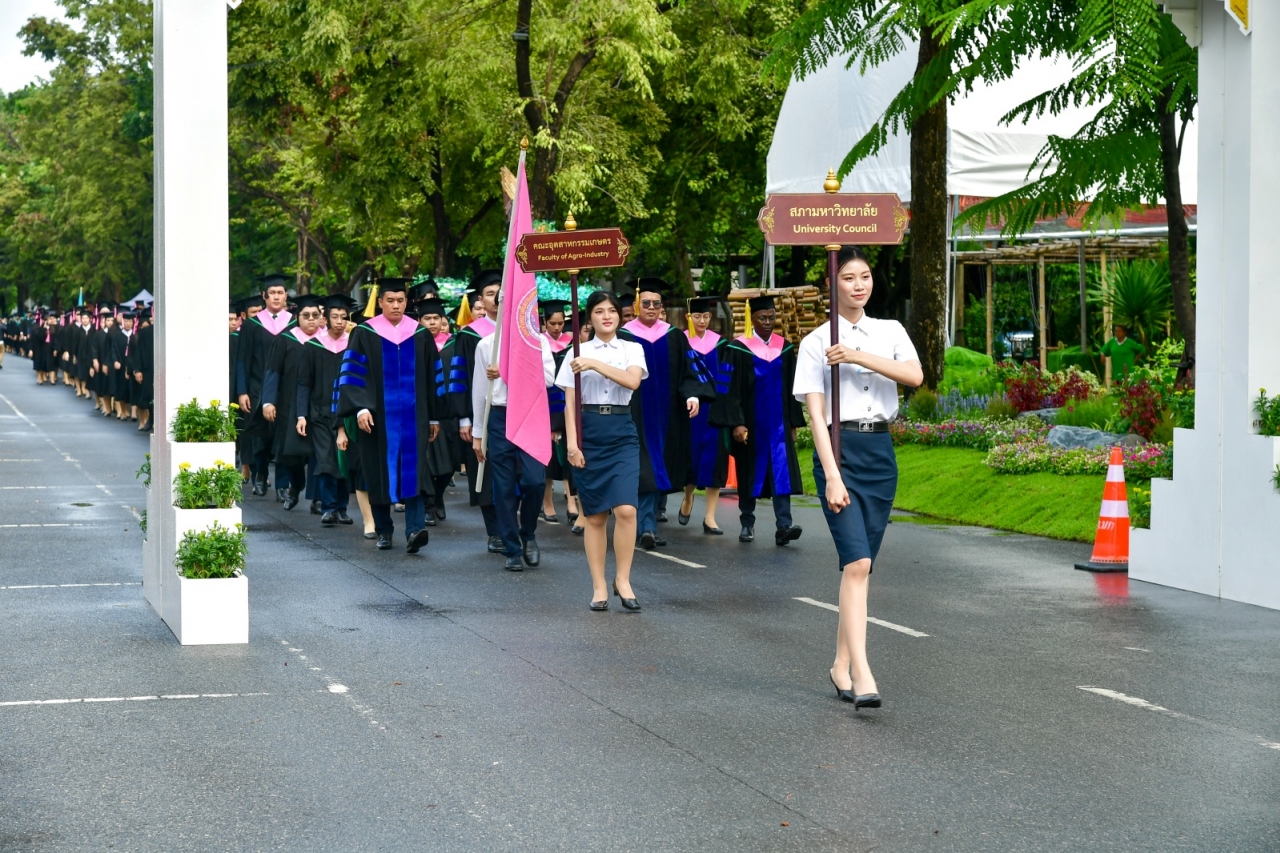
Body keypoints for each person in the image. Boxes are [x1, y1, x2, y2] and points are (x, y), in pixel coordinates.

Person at [793, 246, 923, 710]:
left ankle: (840, 664)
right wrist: (831, 475)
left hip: (880, 454)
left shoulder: (890, 331)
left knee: (862, 568)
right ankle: (863, 674)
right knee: (857, 563)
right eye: (848, 277)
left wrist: (857, 356)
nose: (858, 285)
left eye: (864, 276)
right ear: (833, 284)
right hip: (840, 452)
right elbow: (815, 415)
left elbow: (914, 376)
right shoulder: (814, 342)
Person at [335, 279, 442, 553]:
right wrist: (360, 408)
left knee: (414, 471)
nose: (396, 305)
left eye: (401, 300)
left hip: (414, 418)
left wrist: (434, 418)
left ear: (407, 302)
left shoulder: (419, 334)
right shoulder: (365, 333)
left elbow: (432, 377)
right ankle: (384, 529)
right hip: (376, 419)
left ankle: (415, 529)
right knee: (378, 471)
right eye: (390, 300)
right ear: (380, 302)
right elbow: (352, 375)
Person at [559, 290, 647, 611]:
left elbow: (632, 382)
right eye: (599, 311)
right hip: (589, 431)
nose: (607, 316)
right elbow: (570, 403)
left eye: (612, 310)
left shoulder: (632, 348)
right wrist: (572, 444)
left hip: (622, 431)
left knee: (626, 510)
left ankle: (623, 579)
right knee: (595, 515)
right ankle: (599, 586)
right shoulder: (575, 353)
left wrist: (594, 363)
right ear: (590, 317)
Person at [618, 279, 714, 550]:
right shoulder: (623, 336)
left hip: (668, 416)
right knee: (644, 466)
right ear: (637, 305)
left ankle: (644, 524)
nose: (651, 307)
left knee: (656, 464)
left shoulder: (673, 335)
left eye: (656, 303)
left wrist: (692, 395)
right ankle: (645, 525)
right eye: (646, 303)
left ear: (662, 307)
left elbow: (689, 371)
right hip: (634, 412)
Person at [470, 303, 557, 571]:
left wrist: (508, 370)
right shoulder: (487, 345)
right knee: (503, 486)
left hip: (530, 414)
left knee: (534, 480)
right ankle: (511, 547)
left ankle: (528, 533)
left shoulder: (538, 341)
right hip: (499, 417)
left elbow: (548, 378)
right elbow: (480, 391)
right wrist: (477, 433)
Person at [712, 295, 805, 545]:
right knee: (748, 473)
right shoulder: (737, 349)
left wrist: (793, 423)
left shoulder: (785, 348)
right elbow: (729, 389)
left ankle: (784, 526)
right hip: (750, 425)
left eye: (771, 317)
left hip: (779, 426)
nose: (767, 322)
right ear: (751, 319)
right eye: (762, 317)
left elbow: (792, 389)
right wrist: (736, 422)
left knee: (781, 473)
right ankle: (747, 523)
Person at [449, 271, 502, 552]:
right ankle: (494, 531)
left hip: (512, 413)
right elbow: (460, 379)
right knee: (484, 470)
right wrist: (465, 418)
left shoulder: (521, 331)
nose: (497, 298)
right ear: (480, 300)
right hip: (480, 414)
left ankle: (511, 526)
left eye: (500, 292)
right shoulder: (469, 335)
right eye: (490, 294)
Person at [297, 294, 355, 526]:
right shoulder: (313, 346)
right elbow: (304, 383)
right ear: (326, 318)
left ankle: (342, 508)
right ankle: (329, 507)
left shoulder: (354, 345)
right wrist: (301, 415)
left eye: (343, 317)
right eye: (335, 317)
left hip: (347, 412)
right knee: (325, 459)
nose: (339, 321)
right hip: (320, 413)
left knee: (344, 459)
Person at [262, 295, 322, 510]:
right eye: (306, 315)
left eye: (315, 315)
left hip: (319, 404)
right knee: (291, 452)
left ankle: (317, 498)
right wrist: (268, 401)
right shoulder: (286, 339)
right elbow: (273, 371)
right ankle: (296, 484)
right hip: (289, 404)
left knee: (319, 453)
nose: (311, 319)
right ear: (298, 318)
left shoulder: (327, 342)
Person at [237, 274, 294, 497]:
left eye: (280, 293)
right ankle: (259, 473)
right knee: (260, 435)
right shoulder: (252, 325)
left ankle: (282, 485)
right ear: (264, 296)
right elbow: (242, 360)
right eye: (272, 293)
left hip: (285, 389)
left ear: (286, 295)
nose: (276, 297)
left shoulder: (293, 323)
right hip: (257, 387)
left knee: (282, 437)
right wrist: (242, 391)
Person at [680, 296, 725, 534]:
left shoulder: (720, 343)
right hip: (690, 411)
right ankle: (688, 498)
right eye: (697, 316)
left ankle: (710, 517)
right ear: (688, 317)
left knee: (715, 461)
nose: (702, 321)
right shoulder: (681, 341)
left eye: (706, 316)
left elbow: (726, 375)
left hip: (714, 409)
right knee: (692, 457)